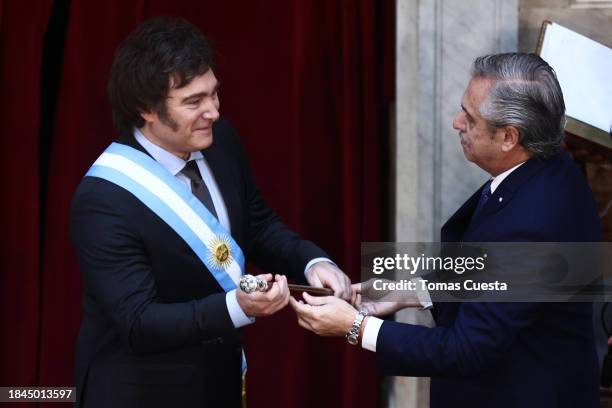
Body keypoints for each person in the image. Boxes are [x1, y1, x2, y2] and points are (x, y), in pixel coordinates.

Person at [290, 53, 602, 407]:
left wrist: (355, 327)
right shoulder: (549, 167)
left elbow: (466, 349)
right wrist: (412, 291)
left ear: (508, 137)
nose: (456, 123)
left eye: (470, 117)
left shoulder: (532, 223)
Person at [70, 16, 352, 408]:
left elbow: (256, 224)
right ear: (145, 109)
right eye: (193, 102)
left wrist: (310, 261)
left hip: (219, 382)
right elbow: (138, 323)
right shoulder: (103, 200)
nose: (213, 112)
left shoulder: (219, 143)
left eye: (214, 94)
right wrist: (237, 307)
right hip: (142, 393)